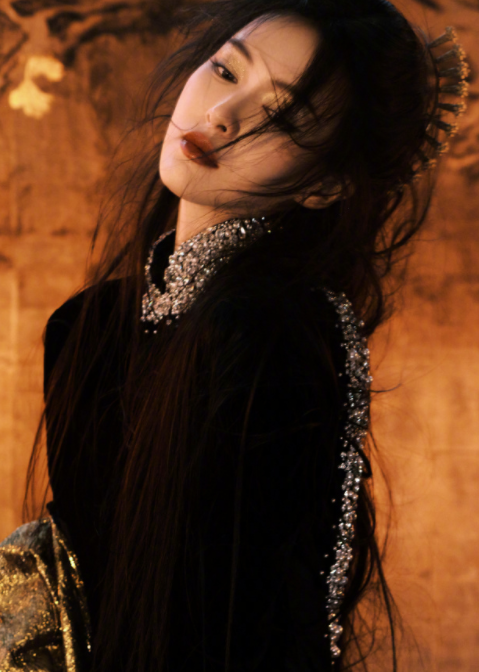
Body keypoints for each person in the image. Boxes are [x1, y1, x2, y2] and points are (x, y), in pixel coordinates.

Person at [14, 1, 468, 671]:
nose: (223, 114)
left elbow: (257, 626)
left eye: (282, 117)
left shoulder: (275, 333)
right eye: (226, 70)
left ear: (325, 186)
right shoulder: (88, 325)